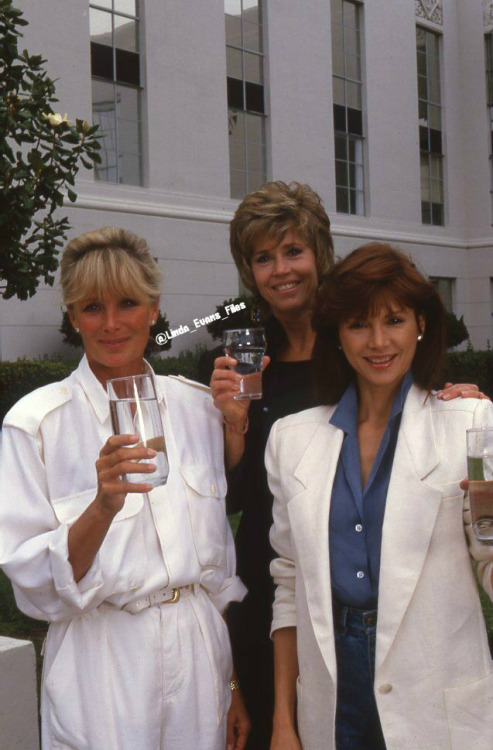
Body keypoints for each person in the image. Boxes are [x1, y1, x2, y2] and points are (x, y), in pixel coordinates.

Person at [209, 181, 487, 750]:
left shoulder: (426, 395)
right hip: (290, 601)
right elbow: (234, 501)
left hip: (424, 658)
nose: (281, 269)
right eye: (264, 258)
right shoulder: (247, 360)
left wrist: (466, 418)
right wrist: (232, 424)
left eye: (293, 251)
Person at [0, 227, 250, 750]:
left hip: (198, 651)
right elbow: (33, 584)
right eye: (92, 307)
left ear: (155, 309)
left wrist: (231, 683)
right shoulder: (36, 423)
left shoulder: (196, 407)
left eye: (128, 303)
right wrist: (102, 506)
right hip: (102, 654)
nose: (111, 324)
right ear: (72, 316)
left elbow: (218, 564)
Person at [267, 243, 493, 750]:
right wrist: (284, 720)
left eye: (393, 320)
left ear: (421, 325)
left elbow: (489, 558)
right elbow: (289, 585)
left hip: (437, 693)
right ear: (338, 337)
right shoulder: (291, 439)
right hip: (331, 692)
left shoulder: (472, 424)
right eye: (357, 324)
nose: (377, 341)